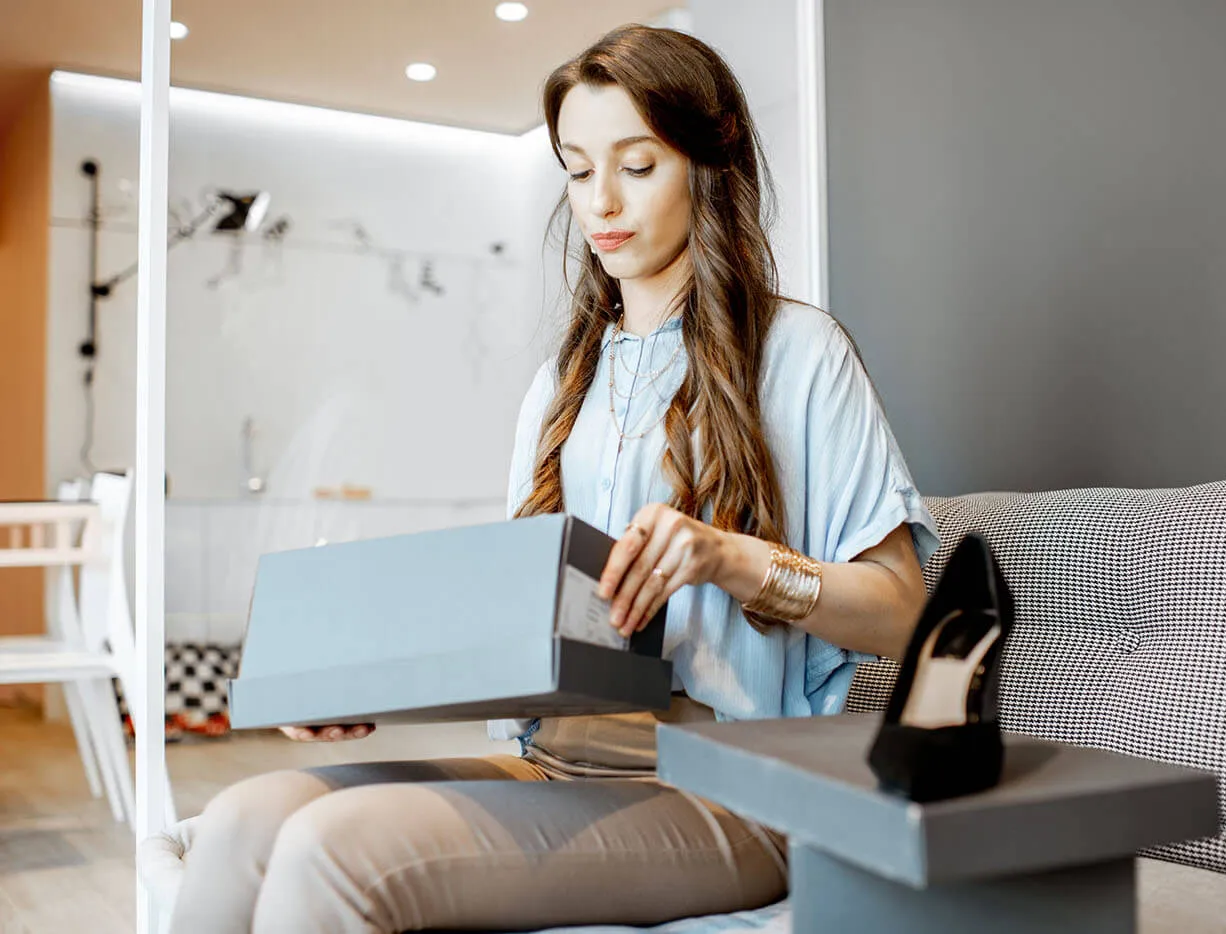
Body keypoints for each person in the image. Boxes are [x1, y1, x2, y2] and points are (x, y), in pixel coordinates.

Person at [169, 24, 938, 934]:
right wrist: (370, 693)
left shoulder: (802, 356)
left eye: (637, 165)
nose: (600, 201)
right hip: (553, 764)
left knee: (330, 850)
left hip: (730, 789)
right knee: (240, 824)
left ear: (705, 161)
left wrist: (732, 559)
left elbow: (906, 613)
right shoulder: (559, 387)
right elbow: (524, 630)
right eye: (576, 169)